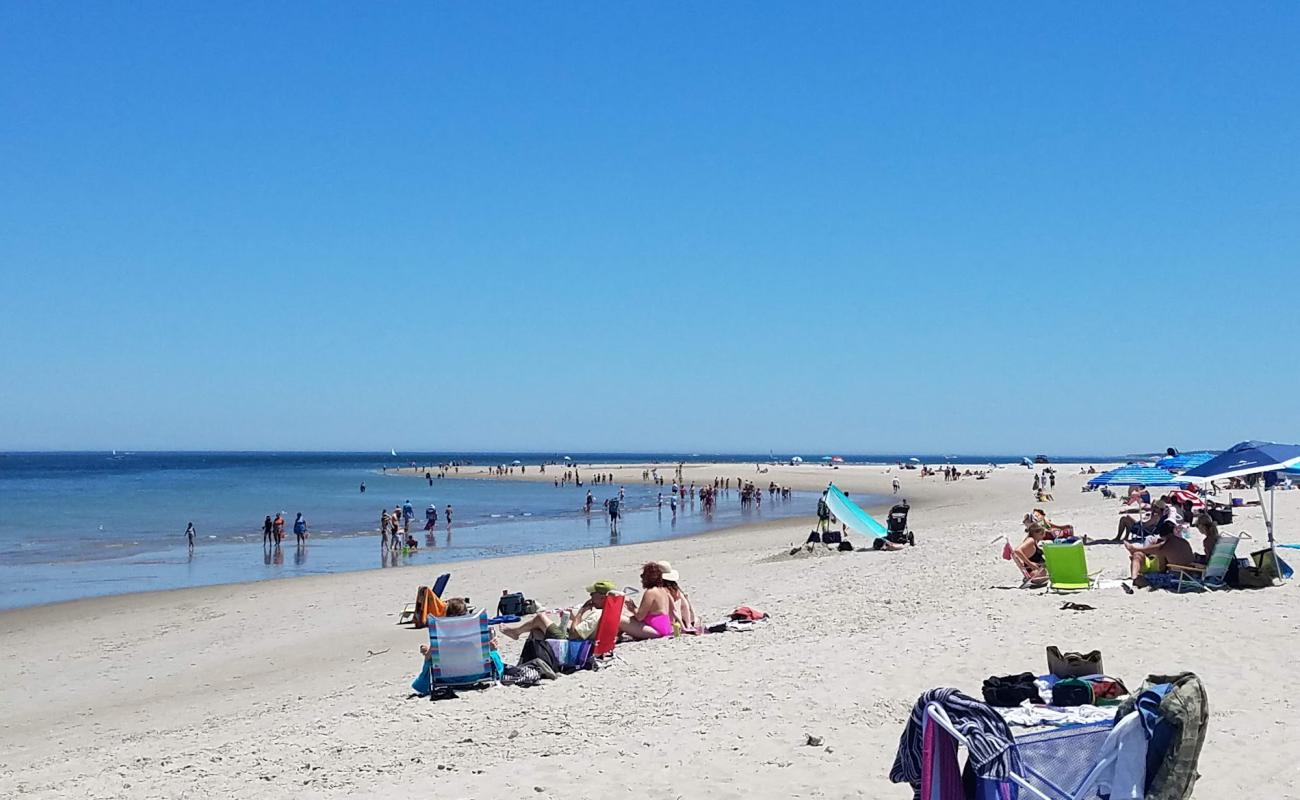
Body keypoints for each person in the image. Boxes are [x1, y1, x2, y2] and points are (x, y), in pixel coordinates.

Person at [501, 580, 615, 641]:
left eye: (592, 594)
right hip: (580, 638)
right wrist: (574, 618)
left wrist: (581, 611)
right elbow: (585, 629)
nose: (590, 597)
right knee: (537, 630)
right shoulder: (610, 612)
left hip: (569, 642)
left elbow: (574, 635)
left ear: (602, 597)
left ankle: (516, 632)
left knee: (540, 617)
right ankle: (517, 632)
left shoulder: (597, 614)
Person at [620, 562, 674, 639]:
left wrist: (632, 607)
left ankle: (616, 637)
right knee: (629, 617)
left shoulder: (650, 592)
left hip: (656, 630)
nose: (642, 579)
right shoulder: (663, 590)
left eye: (643, 576)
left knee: (620, 619)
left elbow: (640, 617)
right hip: (665, 627)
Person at [1126, 523, 1195, 583]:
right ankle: (1134, 577)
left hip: (1177, 577)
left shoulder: (1166, 546)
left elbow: (1162, 569)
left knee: (1142, 576)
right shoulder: (1184, 542)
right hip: (1190, 573)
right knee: (1137, 555)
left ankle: (1134, 578)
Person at [658, 562, 696, 633]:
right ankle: (687, 624)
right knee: (682, 601)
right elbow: (685, 606)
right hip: (681, 620)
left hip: (671, 622)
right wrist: (688, 624)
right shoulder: (675, 589)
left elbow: (673, 610)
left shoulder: (662, 591)